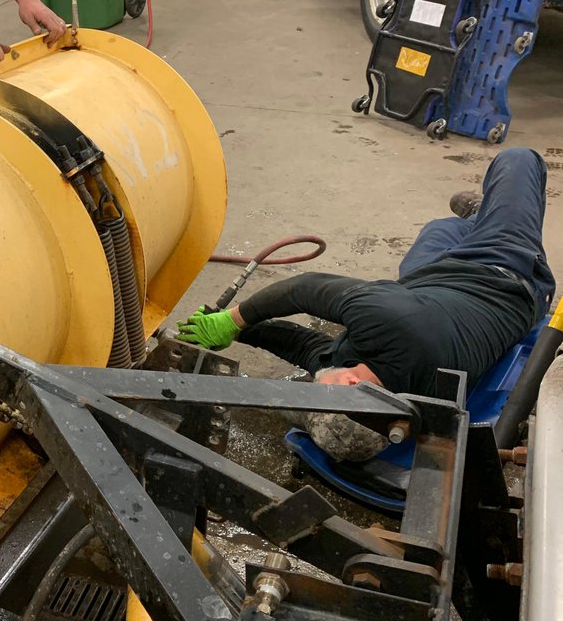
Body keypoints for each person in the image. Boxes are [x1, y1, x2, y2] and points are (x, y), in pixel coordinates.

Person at [178, 148, 555, 461]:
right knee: (519, 161)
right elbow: (306, 288)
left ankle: (474, 218)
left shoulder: (369, 387)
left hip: (430, 285)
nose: (317, 380)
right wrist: (234, 317)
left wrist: (236, 332)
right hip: (506, 272)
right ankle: (490, 216)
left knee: (439, 231)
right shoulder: (392, 327)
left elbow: (305, 348)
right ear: (355, 383)